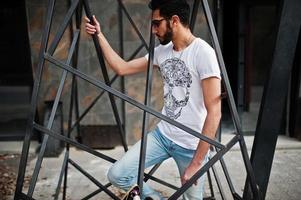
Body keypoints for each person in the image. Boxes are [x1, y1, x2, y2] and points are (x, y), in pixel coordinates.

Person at [85, 0, 221, 199]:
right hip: (163, 136)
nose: (153, 30)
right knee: (118, 175)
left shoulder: (203, 53)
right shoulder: (162, 52)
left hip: (191, 145)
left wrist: (196, 164)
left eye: (157, 23)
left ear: (174, 21)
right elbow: (122, 68)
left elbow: (214, 113)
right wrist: (99, 35)